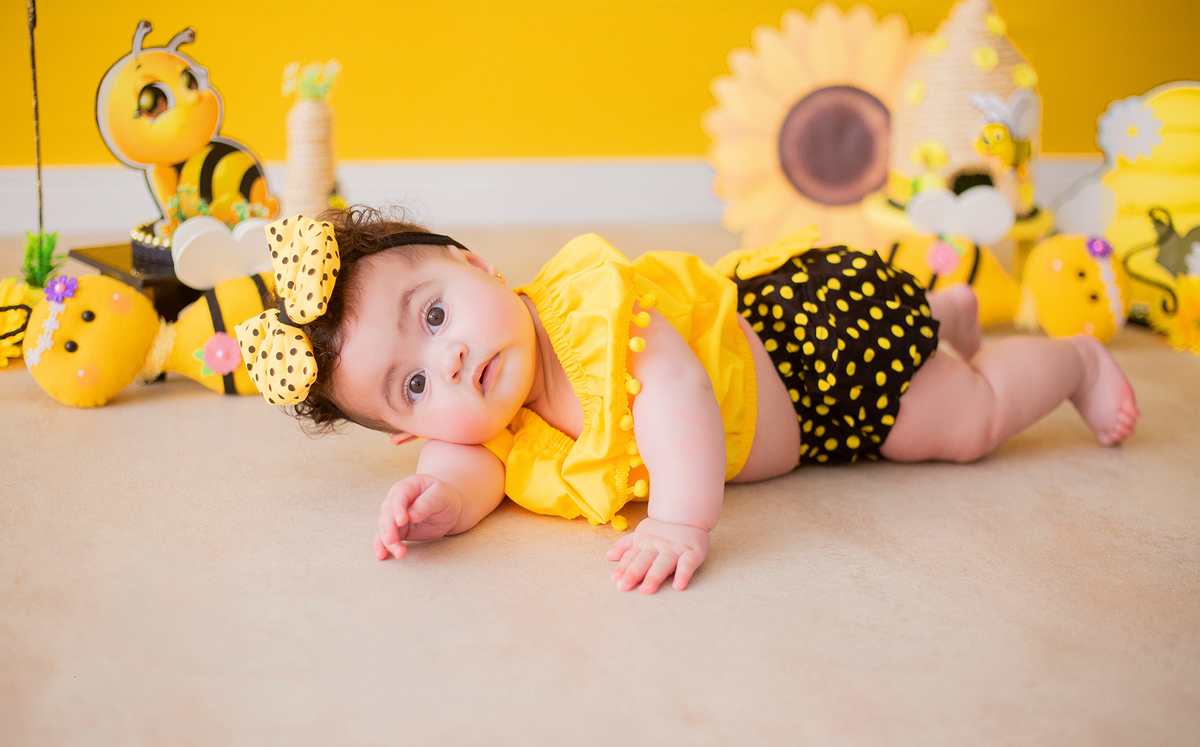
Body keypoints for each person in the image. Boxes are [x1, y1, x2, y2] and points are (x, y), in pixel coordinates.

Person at [235, 207, 1140, 594]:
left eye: (435, 314)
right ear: (407, 430)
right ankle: (945, 320)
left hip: (812, 349)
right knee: (932, 376)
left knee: (957, 425)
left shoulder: (593, 314)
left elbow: (679, 391)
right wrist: (435, 506)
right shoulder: (481, 431)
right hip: (803, 425)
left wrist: (679, 521)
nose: (454, 356)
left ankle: (1073, 363)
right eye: (416, 385)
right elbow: (472, 475)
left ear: (479, 268)